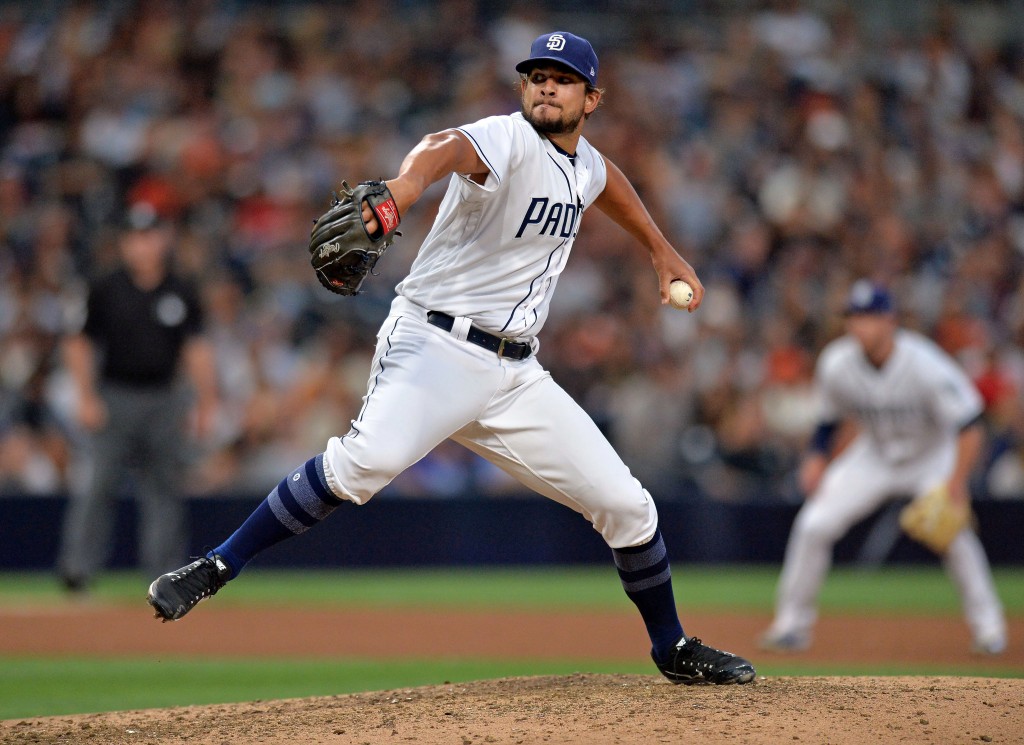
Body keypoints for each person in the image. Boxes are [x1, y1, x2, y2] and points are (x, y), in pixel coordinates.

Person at [148, 31, 756, 686]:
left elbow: (608, 184)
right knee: (365, 463)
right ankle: (216, 564)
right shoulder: (508, 138)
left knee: (630, 506)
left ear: (592, 98)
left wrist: (661, 249)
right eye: (537, 75)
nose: (547, 85)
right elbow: (447, 147)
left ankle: (671, 647)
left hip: (516, 375)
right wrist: (406, 188)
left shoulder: (584, 166)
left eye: (563, 77)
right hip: (436, 346)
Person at [760, 280, 1007, 655]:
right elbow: (828, 421)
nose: (860, 326)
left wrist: (956, 482)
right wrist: (816, 458)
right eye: (854, 317)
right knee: (814, 524)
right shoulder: (837, 362)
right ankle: (791, 625)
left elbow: (970, 425)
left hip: (930, 456)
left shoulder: (925, 363)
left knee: (954, 535)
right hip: (873, 456)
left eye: (869, 317)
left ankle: (989, 629)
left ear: (890, 320)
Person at [57, 201, 219, 592]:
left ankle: (163, 575)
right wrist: (85, 396)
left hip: (165, 398)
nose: (142, 246)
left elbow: (196, 350)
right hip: (115, 396)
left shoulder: (180, 288)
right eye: (135, 238)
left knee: (164, 489)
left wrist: (206, 401)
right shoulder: (105, 287)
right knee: (99, 485)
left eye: (149, 237)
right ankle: (78, 569)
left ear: (162, 240)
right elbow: (78, 343)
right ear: (125, 243)